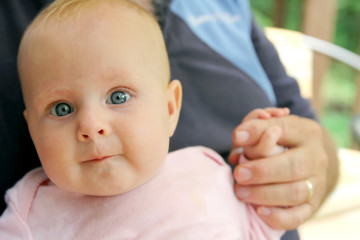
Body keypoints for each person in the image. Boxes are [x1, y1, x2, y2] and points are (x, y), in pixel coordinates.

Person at [0, 0, 339, 239]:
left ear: (170, 108)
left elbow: (263, 225)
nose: (90, 126)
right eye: (61, 109)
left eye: (118, 97)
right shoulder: (31, 208)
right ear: (32, 127)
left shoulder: (208, 174)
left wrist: (272, 158)